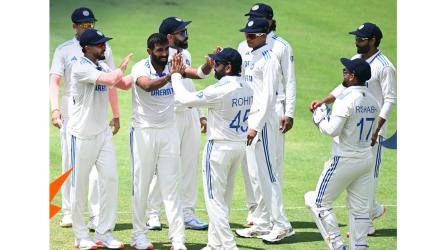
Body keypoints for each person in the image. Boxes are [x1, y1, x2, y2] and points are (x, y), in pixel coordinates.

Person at [309, 22, 396, 235]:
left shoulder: (385, 66)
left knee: (370, 175)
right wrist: (323, 101)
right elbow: (342, 87)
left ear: (373, 40)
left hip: (372, 129)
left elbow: (390, 99)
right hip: (353, 124)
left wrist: (377, 129)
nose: (356, 42)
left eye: (361, 39)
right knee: (360, 174)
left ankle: (365, 223)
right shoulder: (357, 60)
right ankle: (371, 211)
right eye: (356, 38)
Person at [170, 48, 253, 250]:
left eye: (217, 64)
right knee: (224, 198)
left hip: (218, 149)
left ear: (228, 67)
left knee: (214, 201)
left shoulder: (220, 89)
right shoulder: (247, 87)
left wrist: (175, 75)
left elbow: (184, 99)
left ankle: (229, 245)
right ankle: (215, 244)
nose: (214, 67)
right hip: (239, 147)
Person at [49, 7, 120, 228]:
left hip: (95, 107)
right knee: (70, 162)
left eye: (90, 24)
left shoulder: (103, 48)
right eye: (83, 25)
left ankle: (95, 214)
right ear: (74, 26)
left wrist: (116, 114)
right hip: (71, 107)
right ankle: (69, 211)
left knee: (99, 168)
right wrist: (54, 109)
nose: (88, 27)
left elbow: (111, 81)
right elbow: (55, 81)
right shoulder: (64, 50)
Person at [145, 16, 212, 231]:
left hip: (189, 114)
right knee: (164, 166)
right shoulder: (161, 56)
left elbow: (189, 84)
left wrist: (200, 113)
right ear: (169, 36)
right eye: (182, 32)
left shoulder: (186, 54)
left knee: (190, 166)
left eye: (185, 31)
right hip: (170, 115)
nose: (186, 35)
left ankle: (187, 213)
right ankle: (153, 213)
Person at [68, 28, 132, 250]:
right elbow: (112, 78)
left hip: (102, 134)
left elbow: (122, 84)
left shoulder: (102, 65)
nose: (104, 46)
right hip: (82, 135)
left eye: (104, 43)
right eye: (99, 44)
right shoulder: (80, 67)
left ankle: (104, 233)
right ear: (87, 47)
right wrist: (122, 68)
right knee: (79, 186)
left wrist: (148, 69)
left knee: (111, 180)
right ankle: (81, 236)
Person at [305, 58, 378, 250]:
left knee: (317, 202)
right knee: (360, 210)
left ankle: (337, 246)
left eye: (346, 71)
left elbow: (332, 130)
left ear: (353, 77)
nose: (343, 73)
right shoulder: (373, 100)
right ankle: (360, 247)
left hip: (345, 160)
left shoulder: (345, 100)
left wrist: (319, 118)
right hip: (366, 160)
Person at [234, 18, 295, 243]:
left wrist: (255, 127)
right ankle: (262, 222)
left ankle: (282, 225)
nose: (247, 38)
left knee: (269, 173)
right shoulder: (255, 55)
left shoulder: (269, 59)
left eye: (251, 35)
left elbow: (269, 97)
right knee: (257, 175)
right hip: (255, 118)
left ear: (262, 35)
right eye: (246, 34)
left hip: (265, 121)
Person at [130, 33, 186, 250]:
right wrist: (171, 76)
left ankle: (178, 239)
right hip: (144, 132)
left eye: (166, 50)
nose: (164, 55)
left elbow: (193, 73)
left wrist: (207, 68)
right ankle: (138, 236)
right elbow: (147, 85)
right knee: (141, 185)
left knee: (171, 186)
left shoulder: (173, 63)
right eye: (159, 51)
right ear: (149, 51)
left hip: (169, 131)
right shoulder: (139, 68)